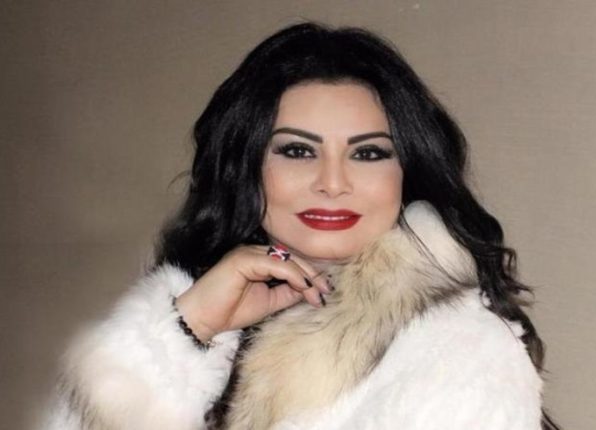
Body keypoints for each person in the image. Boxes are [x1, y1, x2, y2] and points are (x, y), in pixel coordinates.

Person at [43, 22, 560, 430]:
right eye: (297, 150)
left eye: (368, 153)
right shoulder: (208, 313)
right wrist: (189, 327)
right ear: (246, 167)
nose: (332, 182)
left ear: (408, 174)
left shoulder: (460, 352)